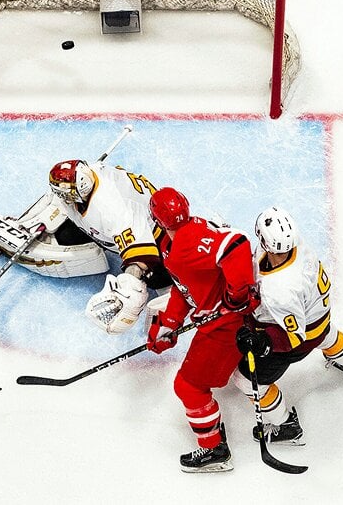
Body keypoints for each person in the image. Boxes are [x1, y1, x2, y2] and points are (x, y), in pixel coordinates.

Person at [0, 158, 173, 334]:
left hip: (157, 237)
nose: (62, 197)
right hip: (122, 222)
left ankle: (172, 294)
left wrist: (128, 288)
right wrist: (31, 221)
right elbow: (55, 196)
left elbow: (141, 255)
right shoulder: (85, 179)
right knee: (65, 235)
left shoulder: (111, 208)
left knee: (160, 278)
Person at [145, 187, 258, 473]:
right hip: (215, 321)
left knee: (188, 387)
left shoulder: (188, 242)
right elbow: (184, 287)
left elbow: (236, 244)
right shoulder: (172, 242)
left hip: (226, 326)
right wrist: (169, 323)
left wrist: (237, 295)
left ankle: (214, 449)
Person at [232, 207, 343, 445]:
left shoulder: (280, 291)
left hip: (301, 336)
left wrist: (263, 341)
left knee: (246, 381)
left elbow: (294, 337)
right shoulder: (296, 246)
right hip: (318, 314)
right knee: (326, 334)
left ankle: (286, 426)